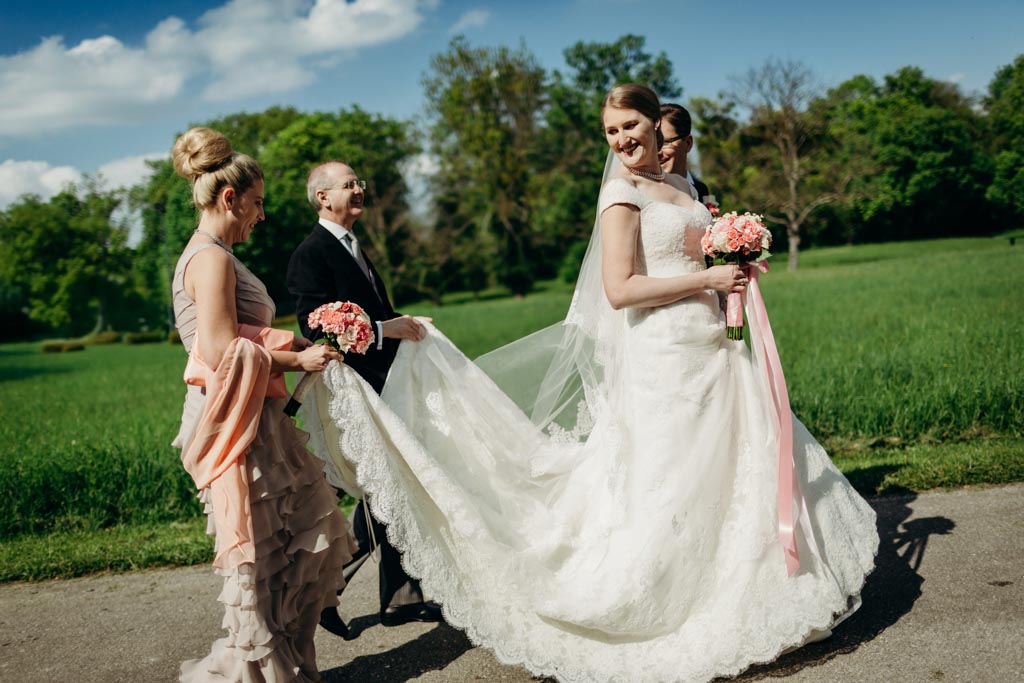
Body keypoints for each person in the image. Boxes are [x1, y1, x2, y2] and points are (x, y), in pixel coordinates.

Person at [304, 85, 879, 683]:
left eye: (631, 124)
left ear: (659, 125)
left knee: (737, 467)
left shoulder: (682, 188)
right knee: (674, 483)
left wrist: (729, 267)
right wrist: (707, 279)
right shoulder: (620, 194)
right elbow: (620, 289)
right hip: (662, 355)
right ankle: (664, 602)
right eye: (611, 131)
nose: (623, 139)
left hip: (714, 346)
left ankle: (762, 590)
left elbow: (686, 256)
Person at [170, 127, 356, 682]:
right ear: (229, 199)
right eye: (257, 203)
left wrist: (288, 342)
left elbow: (239, 334)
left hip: (254, 411)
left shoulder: (216, 254)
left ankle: (287, 668)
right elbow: (220, 349)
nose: (261, 215)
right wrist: (294, 361)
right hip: (233, 419)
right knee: (263, 556)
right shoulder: (211, 259)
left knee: (292, 547)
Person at [286, 161, 442, 636]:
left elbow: (371, 312)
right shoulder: (310, 254)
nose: (359, 189)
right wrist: (382, 329)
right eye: (349, 184)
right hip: (352, 389)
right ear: (322, 198)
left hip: (382, 381)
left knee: (392, 482)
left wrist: (403, 322)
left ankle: (400, 596)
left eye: (360, 182)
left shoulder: (353, 246)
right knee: (382, 485)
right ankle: (323, 592)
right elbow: (315, 325)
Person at [659, 102, 713, 204]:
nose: (657, 152)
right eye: (652, 143)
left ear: (688, 143)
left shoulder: (702, 189)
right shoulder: (641, 191)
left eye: (665, 142)